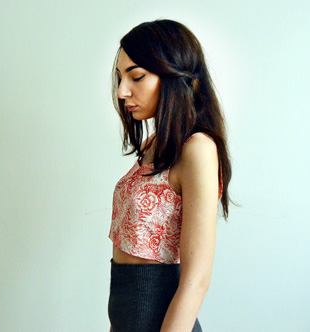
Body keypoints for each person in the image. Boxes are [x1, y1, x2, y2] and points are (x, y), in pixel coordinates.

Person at [107, 19, 233, 332]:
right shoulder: (154, 144)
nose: (123, 91)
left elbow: (196, 281)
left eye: (136, 76)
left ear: (173, 75)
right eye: (120, 77)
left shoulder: (198, 149)